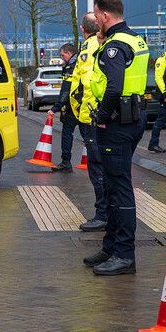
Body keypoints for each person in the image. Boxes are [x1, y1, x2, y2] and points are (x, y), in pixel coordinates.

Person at [85, 0, 148, 276]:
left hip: (116, 123)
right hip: (132, 118)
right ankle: (111, 247)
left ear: (105, 16)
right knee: (112, 186)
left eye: (96, 15)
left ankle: (124, 254)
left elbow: (113, 87)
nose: (95, 19)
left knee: (119, 188)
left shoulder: (115, 46)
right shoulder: (136, 39)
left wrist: (100, 118)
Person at [69, 13, 107, 232]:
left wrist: (79, 112)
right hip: (100, 114)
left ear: (83, 29)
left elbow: (83, 84)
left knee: (97, 167)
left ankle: (103, 214)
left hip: (90, 115)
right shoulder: (104, 43)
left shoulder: (88, 48)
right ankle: (107, 212)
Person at [48, 43, 78, 172]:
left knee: (67, 133)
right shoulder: (83, 61)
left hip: (73, 105)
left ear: (69, 53)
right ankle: (98, 162)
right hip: (84, 105)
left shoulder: (71, 67)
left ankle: (66, 162)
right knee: (89, 135)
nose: (62, 58)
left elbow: (66, 90)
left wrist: (56, 107)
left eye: (63, 55)